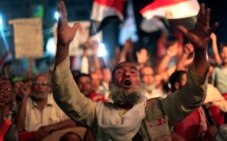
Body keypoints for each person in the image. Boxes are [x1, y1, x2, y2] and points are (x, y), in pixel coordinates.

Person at [52, 1, 216, 140]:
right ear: (111, 84)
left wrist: (201, 51)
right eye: (120, 71)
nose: (127, 73)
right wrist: (63, 46)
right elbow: (66, 97)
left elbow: (193, 96)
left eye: (133, 71)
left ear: (140, 82)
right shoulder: (98, 112)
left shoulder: (159, 108)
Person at [15, 73, 76, 140]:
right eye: (36, 84)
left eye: (44, 84)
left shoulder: (57, 100)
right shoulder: (26, 102)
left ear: (49, 88)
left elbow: (73, 121)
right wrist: (25, 97)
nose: (40, 87)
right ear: (32, 87)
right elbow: (18, 129)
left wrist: (49, 128)